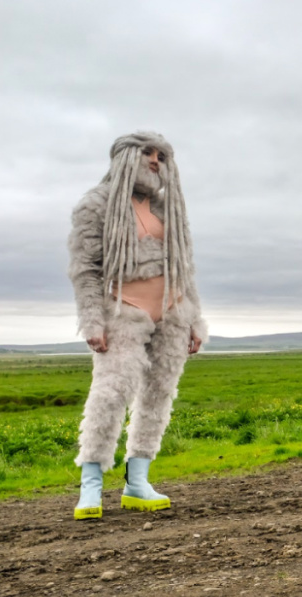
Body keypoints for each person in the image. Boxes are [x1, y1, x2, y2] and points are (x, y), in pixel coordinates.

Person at [68, 131, 207, 520]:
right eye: (147, 152)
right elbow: (85, 269)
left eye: (161, 154)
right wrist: (93, 320)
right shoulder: (96, 205)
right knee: (111, 392)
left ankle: (137, 480)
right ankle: (91, 485)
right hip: (124, 310)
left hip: (173, 311)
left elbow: (185, 267)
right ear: (125, 156)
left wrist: (195, 318)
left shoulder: (167, 208)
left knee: (159, 394)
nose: (155, 160)